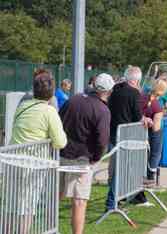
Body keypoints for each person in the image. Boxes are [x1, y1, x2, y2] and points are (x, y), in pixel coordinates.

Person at [9, 69, 67, 234]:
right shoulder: (49, 111)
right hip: (33, 166)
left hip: (13, 162)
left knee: (10, 207)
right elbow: (60, 142)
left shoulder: (23, 106)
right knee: (27, 208)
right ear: (51, 92)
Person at [59, 73, 115, 234]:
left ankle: (48, 227)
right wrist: (96, 158)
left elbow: (59, 122)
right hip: (82, 159)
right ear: (109, 91)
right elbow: (103, 140)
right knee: (79, 201)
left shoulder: (73, 100)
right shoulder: (103, 110)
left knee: (56, 195)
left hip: (62, 154)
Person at [105, 66, 144, 211]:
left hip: (113, 132)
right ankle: (111, 203)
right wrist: (144, 119)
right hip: (126, 135)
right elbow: (137, 116)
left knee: (115, 169)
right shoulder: (133, 93)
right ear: (136, 80)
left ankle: (118, 199)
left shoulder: (114, 90)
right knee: (121, 170)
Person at [132, 79, 167, 206]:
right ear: (163, 91)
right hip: (149, 137)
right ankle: (150, 178)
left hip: (135, 135)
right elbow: (156, 130)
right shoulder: (156, 105)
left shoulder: (141, 97)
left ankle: (140, 191)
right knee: (155, 152)